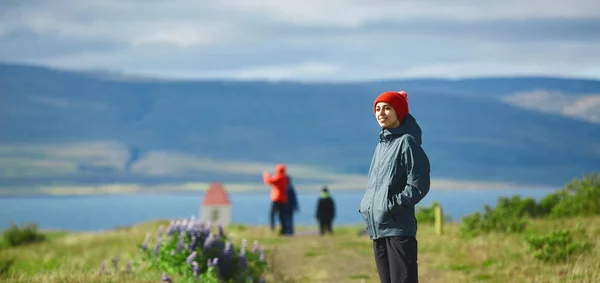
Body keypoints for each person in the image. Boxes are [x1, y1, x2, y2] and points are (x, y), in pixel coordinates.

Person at [359, 91, 430, 283]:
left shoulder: (406, 142)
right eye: (377, 109)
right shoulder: (381, 146)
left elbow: (419, 184)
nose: (381, 113)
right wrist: (367, 206)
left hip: (398, 229)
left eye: (387, 108)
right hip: (379, 229)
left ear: (398, 112)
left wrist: (391, 206)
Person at [263, 164, 289, 235]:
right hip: (283, 199)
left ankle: (272, 227)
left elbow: (268, 181)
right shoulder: (285, 178)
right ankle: (284, 229)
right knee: (282, 215)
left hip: (276, 199)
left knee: (272, 214)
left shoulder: (279, 177)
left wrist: (266, 174)